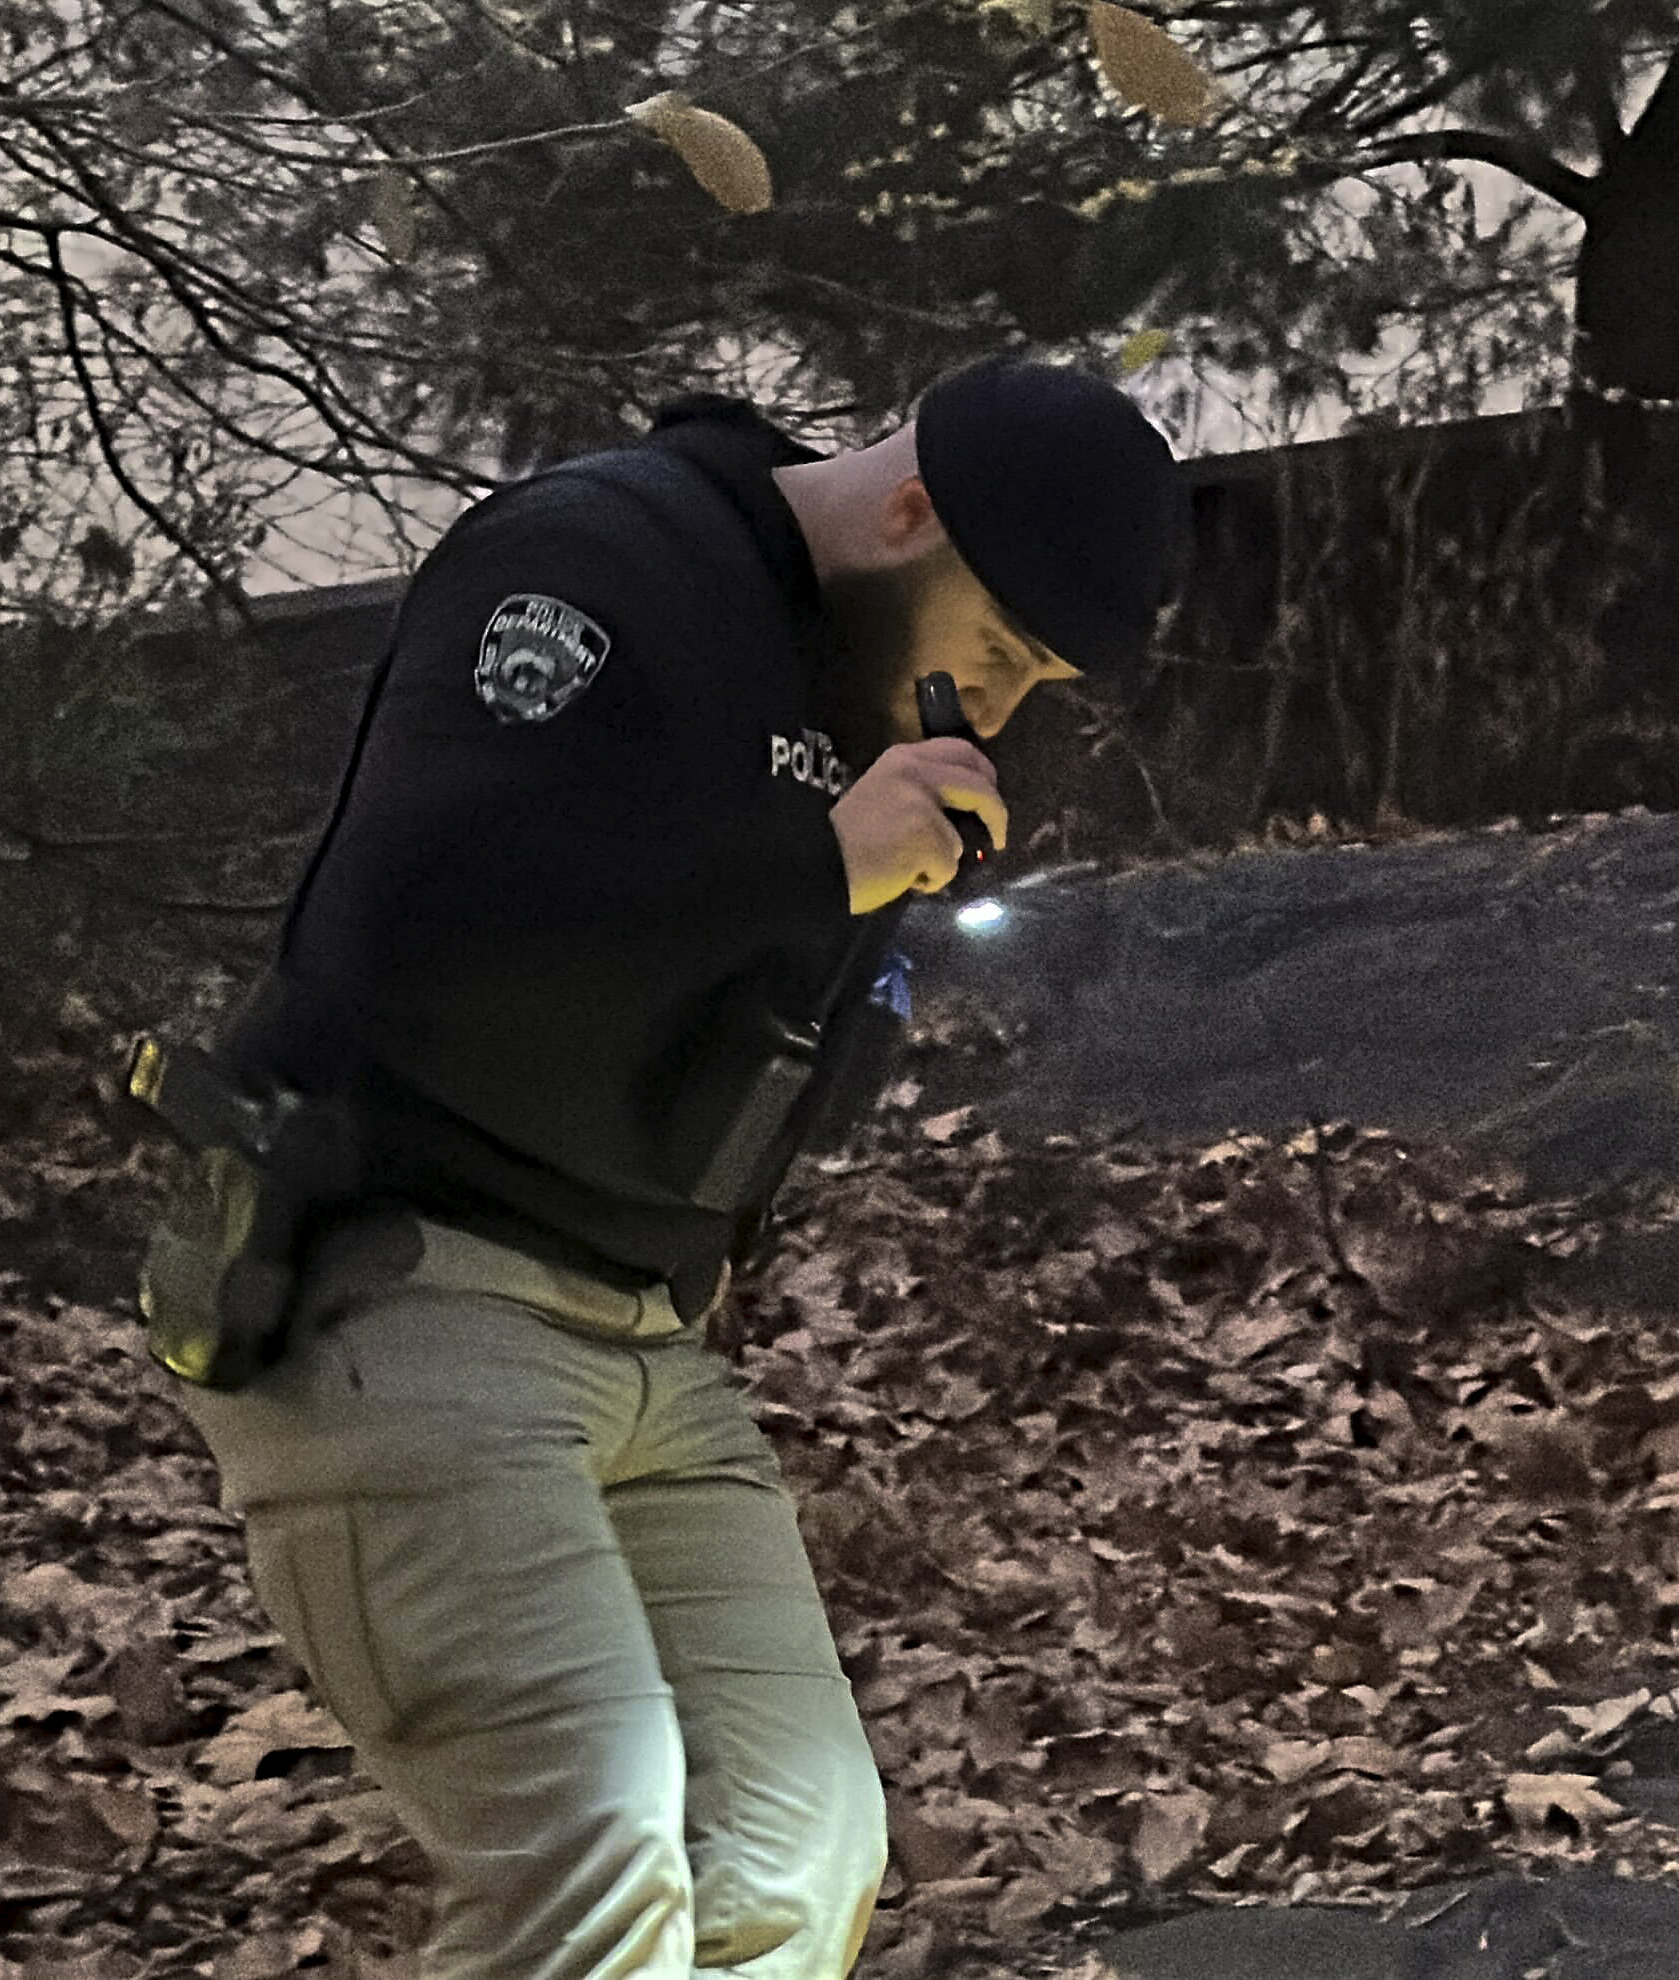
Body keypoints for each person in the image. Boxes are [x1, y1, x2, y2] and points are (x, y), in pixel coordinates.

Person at [160, 358, 1189, 1979]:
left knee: (798, 1849)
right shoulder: (594, 561)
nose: (993, 709)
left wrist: (856, 930)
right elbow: (408, 925)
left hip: (645, 1334)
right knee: (593, 1866)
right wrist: (821, 861)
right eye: (996, 649)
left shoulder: (856, 686)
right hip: (405, 1283)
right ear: (909, 508)